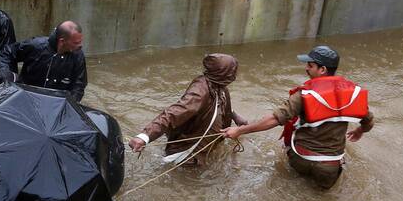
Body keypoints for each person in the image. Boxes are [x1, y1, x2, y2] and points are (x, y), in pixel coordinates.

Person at [223, 45, 374, 189]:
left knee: (292, 184)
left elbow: (274, 119)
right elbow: (368, 121)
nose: (306, 68)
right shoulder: (352, 95)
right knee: (322, 198)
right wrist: (360, 130)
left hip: (300, 158)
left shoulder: (304, 95)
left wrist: (240, 131)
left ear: (323, 69)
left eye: (310, 65)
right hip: (328, 167)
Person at [128, 54, 248, 166]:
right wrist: (144, 136)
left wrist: (234, 115)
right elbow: (173, 113)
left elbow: (218, 102)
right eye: (232, 72)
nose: (234, 76)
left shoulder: (218, 84)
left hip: (207, 147)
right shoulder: (199, 92)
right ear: (222, 73)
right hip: (189, 153)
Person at [0, 21, 87, 102]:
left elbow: (79, 84)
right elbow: (7, 52)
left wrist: (71, 104)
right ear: (62, 41)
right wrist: (6, 73)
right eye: (76, 43)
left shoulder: (78, 55)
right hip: (27, 97)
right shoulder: (36, 46)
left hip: (56, 102)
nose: (80, 45)